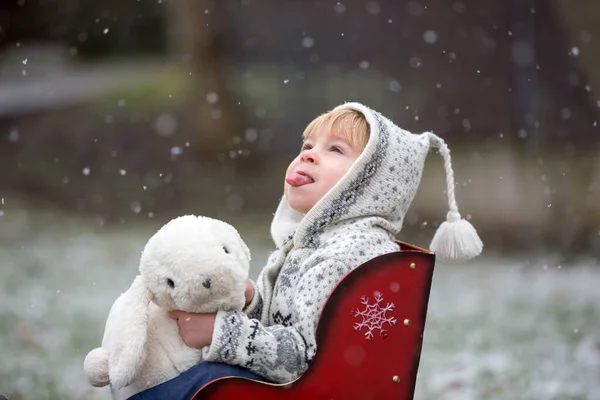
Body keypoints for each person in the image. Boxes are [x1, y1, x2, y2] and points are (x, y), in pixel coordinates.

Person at [128, 102, 482, 399]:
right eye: (307, 145)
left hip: (310, 390)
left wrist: (220, 331)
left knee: (207, 380)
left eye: (335, 149)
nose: (309, 155)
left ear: (369, 185)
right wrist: (252, 302)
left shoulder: (347, 253)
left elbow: (299, 357)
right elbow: (288, 319)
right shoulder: (313, 243)